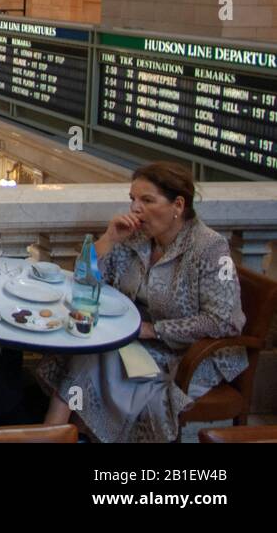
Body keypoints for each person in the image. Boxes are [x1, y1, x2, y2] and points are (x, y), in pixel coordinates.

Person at [37, 163, 246, 443]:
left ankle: (55, 433)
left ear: (178, 205)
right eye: (133, 199)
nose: (136, 208)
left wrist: (152, 330)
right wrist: (109, 239)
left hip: (186, 354)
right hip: (135, 341)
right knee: (84, 349)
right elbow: (85, 280)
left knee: (90, 357)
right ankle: (58, 433)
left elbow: (223, 320)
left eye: (147, 200)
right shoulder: (137, 237)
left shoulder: (209, 248)